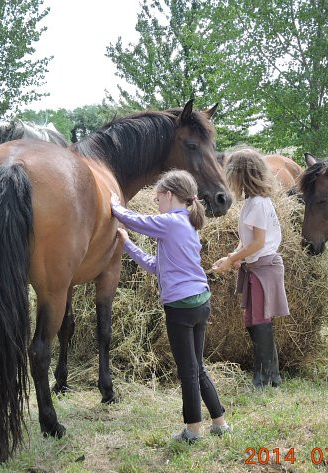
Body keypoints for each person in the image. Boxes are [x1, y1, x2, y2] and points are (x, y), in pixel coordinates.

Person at [110, 169, 229, 443]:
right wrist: (127, 245)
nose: (156, 204)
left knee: (187, 370)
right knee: (197, 367)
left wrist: (114, 206)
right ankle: (220, 422)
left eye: (157, 198)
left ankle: (192, 430)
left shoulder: (172, 221)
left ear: (169, 195)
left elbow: (137, 221)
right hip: (199, 301)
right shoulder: (186, 223)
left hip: (181, 308)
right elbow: (155, 266)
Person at [212, 147, 289, 388]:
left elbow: (258, 242)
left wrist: (232, 259)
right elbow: (248, 240)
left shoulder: (257, 203)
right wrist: (232, 257)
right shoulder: (254, 201)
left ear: (241, 175)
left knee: (259, 320)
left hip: (263, 266)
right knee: (253, 319)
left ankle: (263, 377)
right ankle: (271, 374)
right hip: (256, 265)